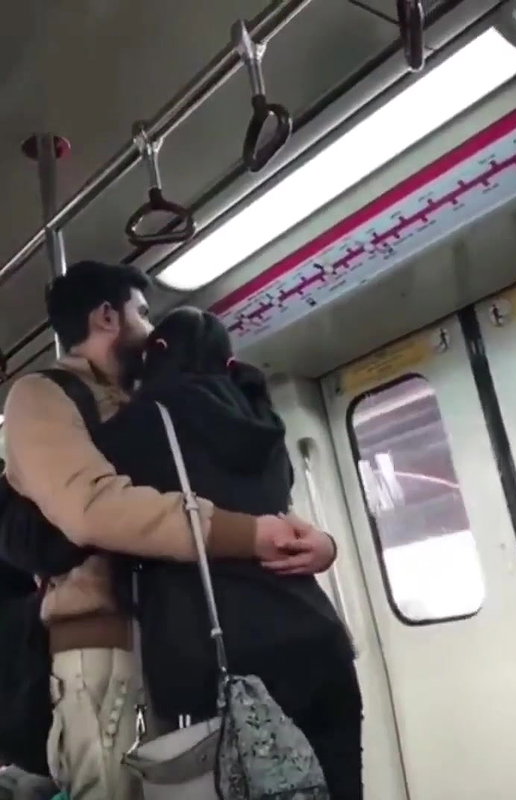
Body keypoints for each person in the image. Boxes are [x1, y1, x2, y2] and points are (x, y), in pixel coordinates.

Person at [1, 261, 329, 800]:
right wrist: (247, 535)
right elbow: (94, 508)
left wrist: (310, 539)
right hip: (104, 645)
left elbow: (219, 491)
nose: (153, 330)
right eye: (143, 313)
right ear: (108, 316)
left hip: (179, 640)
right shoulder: (42, 397)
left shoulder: (150, 397)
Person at [94, 307, 362, 799]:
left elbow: (68, 524)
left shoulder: (142, 424)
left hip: (215, 657)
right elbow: (284, 514)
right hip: (317, 640)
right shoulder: (265, 419)